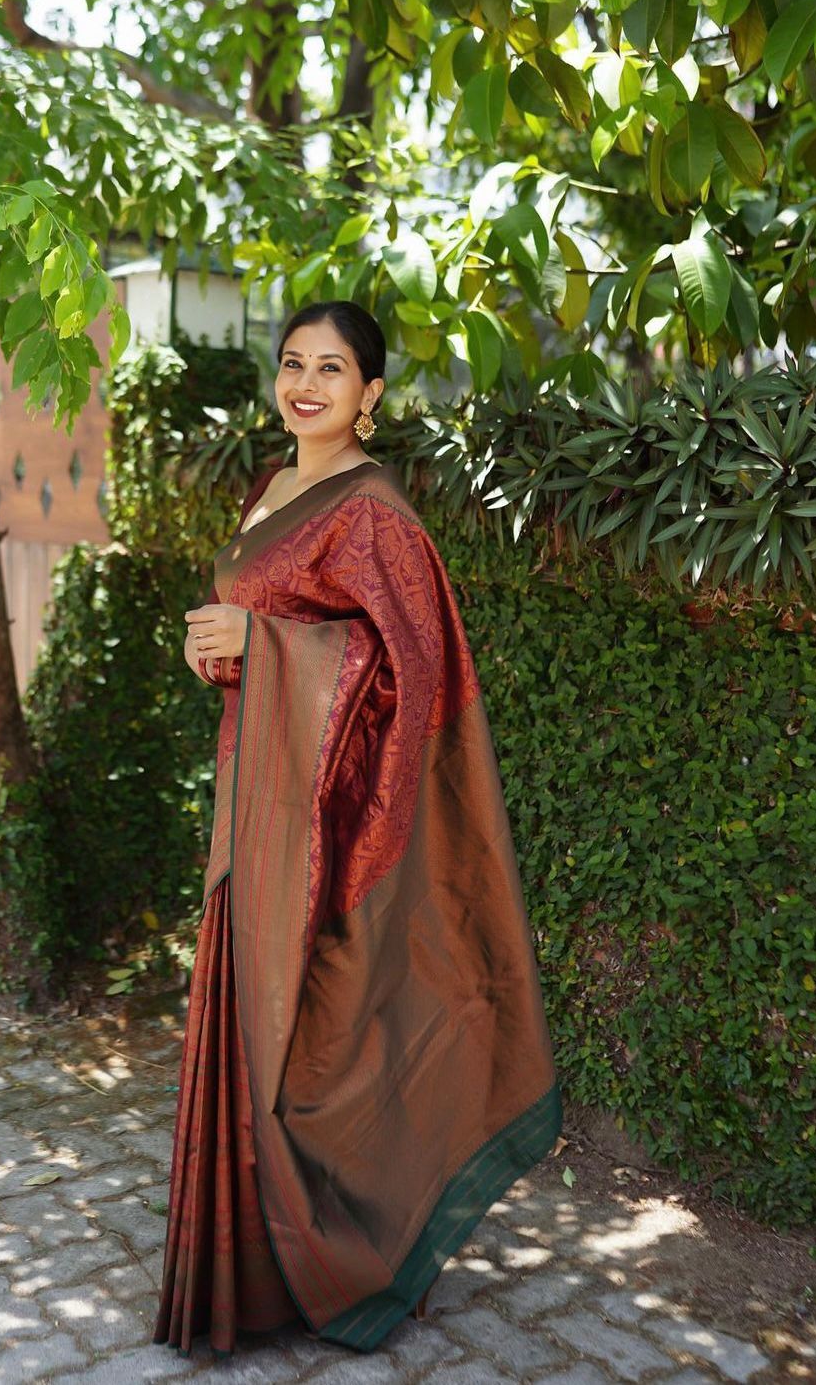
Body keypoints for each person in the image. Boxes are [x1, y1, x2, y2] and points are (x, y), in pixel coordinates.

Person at [152, 300, 562, 1360]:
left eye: (331, 369)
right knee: (252, 1023)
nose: (306, 385)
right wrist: (231, 649)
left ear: (371, 395)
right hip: (260, 800)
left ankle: (345, 1256)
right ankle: (256, 1266)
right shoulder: (277, 484)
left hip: (325, 826)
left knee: (309, 1031)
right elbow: (284, 626)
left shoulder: (376, 513)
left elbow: (410, 672)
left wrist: (270, 646)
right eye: (293, 363)